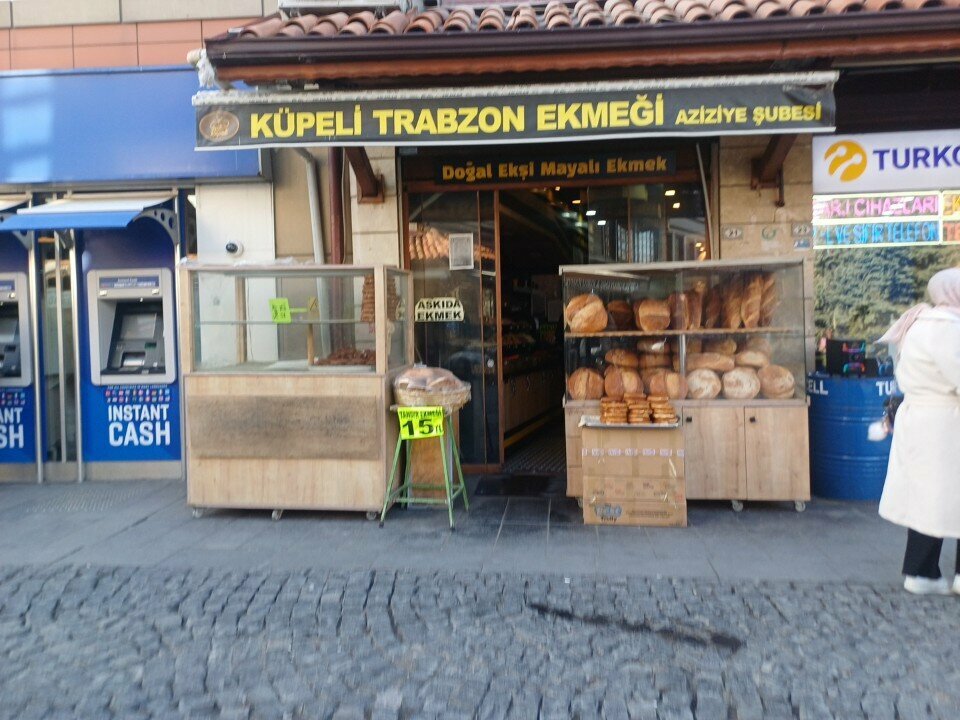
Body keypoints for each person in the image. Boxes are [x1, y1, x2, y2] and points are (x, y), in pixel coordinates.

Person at [878, 268, 960, 595]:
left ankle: (920, 572)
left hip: (922, 420)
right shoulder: (948, 329)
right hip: (945, 423)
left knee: (929, 499)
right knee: (942, 497)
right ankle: (927, 575)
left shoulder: (918, 323)